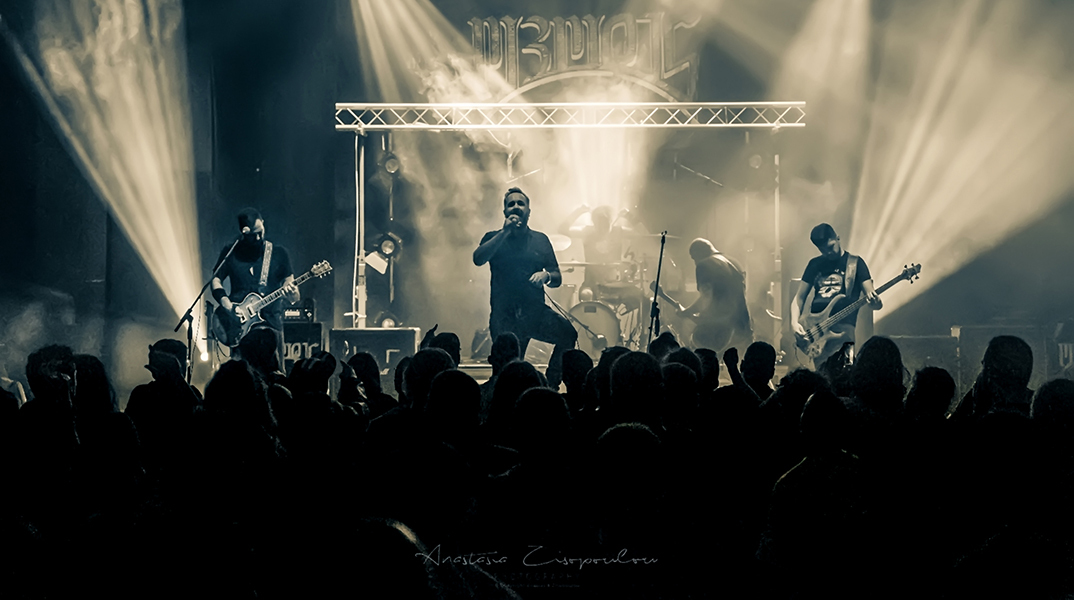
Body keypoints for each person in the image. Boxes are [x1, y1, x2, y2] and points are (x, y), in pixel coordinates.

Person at [474, 187, 577, 387]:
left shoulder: (540, 240)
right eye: (510, 204)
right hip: (504, 315)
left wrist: (546, 275)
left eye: (520, 203)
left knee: (568, 334)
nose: (516, 207)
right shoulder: (493, 237)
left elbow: (557, 277)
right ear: (504, 211)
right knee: (507, 372)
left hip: (535, 313)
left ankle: (550, 386)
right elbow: (478, 258)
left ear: (528, 211)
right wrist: (505, 232)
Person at [211, 207, 299, 367]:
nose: (258, 238)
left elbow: (294, 293)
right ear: (243, 233)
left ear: (263, 223)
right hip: (241, 328)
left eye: (260, 232)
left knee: (274, 374)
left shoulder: (278, 253)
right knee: (243, 376)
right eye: (253, 235)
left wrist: (291, 291)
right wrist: (227, 305)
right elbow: (216, 280)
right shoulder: (231, 252)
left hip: (271, 325)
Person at [790, 223, 881, 367]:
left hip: (843, 332)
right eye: (823, 250)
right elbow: (799, 297)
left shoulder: (855, 263)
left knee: (843, 374)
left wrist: (876, 302)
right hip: (816, 331)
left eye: (831, 247)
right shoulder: (814, 264)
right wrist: (794, 323)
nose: (828, 252)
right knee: (821, 375)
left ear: (837, 238)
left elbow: (873, 300)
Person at [678, 238, 753, 353]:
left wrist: (688, 311)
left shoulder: (704, 265)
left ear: (699, 252)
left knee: (704, 355)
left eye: (694, 258)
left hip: (717, 329)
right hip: (741, 325)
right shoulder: (734, 263)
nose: (695, 262)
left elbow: (706, 297)